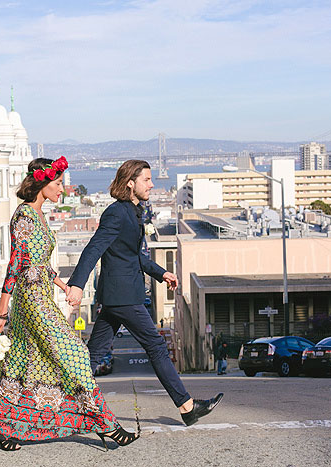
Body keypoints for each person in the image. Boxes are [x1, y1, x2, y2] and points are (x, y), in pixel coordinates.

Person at [0, 157, 138, 451]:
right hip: (31, 300)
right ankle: (107, 426)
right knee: (76, 353)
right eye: (57, 184)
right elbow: (16, 265)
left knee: (22, 363)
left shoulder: (39, 216)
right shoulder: (24, 217)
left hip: (43, 296)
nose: (62, 189)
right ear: (41, 183)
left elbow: (40, 264)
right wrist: (2, 312)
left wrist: (66, 286)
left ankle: (0, 427)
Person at [66, 159, 223, 427]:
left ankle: (62, 406)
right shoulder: (116, 213)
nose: (152, 184)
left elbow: (134, 255)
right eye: (147, 180)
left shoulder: (133, 211)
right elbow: (93, 248)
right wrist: (77, 284)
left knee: (91, 356)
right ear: (131, 183)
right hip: (124, 296)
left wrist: (161, 273)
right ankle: (187, 407)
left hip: (118, 296)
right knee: (156, 346)